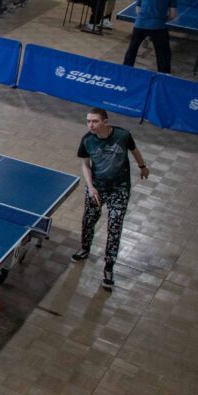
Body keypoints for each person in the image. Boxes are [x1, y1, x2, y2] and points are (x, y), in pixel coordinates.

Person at [72, 108, 150, 291]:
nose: (91, 125)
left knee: (114, 227)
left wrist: (143, 167)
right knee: (88, 221)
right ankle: (84, 249)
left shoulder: (123, 135)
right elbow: (85, 165)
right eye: (88, 121)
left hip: (119, 190)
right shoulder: (87, 140)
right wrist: (91, 187)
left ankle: (109, 268)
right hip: (97, 189)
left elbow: (134, 151)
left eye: (95, 121)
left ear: (105, 122)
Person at [123, 0, 177, 73]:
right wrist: (162, 18)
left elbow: (137, 9)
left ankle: (125, 70)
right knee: (163, 53)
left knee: (132, 49)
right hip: (158, 27)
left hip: (140, 24)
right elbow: (172, 15)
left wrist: (143, 18)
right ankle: (164, 74)